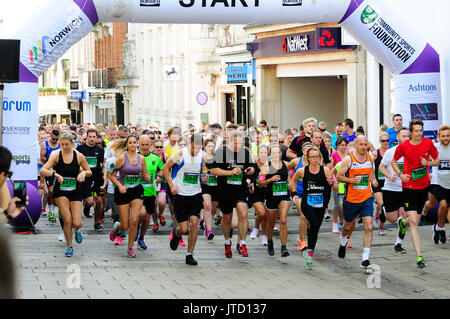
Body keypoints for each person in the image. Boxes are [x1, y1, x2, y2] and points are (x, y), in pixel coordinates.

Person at [391, 120, 439, 268]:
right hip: (409, 187)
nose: (419, 133)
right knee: (414, 222)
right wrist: (400, 175)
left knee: (413, 221)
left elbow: (437, 161)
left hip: (423, 186)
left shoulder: (428, 143)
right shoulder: (404, 146)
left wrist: (428, 163)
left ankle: (402, 223)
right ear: (411, 132)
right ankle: (419, 256)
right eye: (416, 131)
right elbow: (393, 161)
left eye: (421, 130)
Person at [40, 132, 92, 257]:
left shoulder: (78, 156)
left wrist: (83, 174)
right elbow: (43, 169)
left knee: (76, 222)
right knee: (67, 220)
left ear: (72, 143)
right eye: (61, 144)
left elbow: (89, 171)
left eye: (66, 144)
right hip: (61, 191)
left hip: (76, 190)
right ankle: (69, 246)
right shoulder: (57, 155)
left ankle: (78, 230)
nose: (64, 147)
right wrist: (55, 174)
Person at [163, 133, 208, 265]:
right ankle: (177, 234)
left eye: (199, 148)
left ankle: (189, 254)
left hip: (195, 194)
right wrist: (171, 186)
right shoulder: (180, 153)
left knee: (194, 223)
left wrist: (204, 177)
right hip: (180, 194)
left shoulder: (203, 156)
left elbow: (203, 171)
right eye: (194, 147)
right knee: (184, 229)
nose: (196, 150)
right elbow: (165, 168)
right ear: (190, 144)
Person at [336, 135, 378, 271]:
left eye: (366, 144)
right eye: (361, 144)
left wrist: (373, 180)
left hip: (366, 197)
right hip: (351, 199)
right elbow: (338, 176)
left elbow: (370, 173)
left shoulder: (370, 158)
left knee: (369, 226)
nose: (364, 147)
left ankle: (365, 258)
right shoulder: (349, 159)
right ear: (355, 145)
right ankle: (343, 242)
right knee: (348, 225)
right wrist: (352, 181)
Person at [211, 131, 255, 258]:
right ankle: (227, 242)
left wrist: (249, 170)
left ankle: (242, 243)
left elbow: (251, 168)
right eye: (236, 143)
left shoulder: (245, 152)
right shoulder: (221, 152)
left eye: (241, 143)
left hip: (240, 189)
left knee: (243, 212)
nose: (239, 146)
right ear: (230, 141)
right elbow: (214, 170)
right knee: (227, 218)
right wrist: (230, 172)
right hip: (225, 190)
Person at [292, 146, 336, 269]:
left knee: (315, 229)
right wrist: (295, 194)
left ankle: (309, 253)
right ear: (308, 158)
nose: (316, 159)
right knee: (315, 224)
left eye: (318, 157)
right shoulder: (302, 171)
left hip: (321, 204)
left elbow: (337, 187)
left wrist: (331, 182)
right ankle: (306, 240)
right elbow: (293, 180)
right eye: (313, 157)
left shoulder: (326, 170)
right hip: (307, 203)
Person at [108, 135, 150, 258]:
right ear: (126, 145)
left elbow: (144, 174)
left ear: (137, 144)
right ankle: (117, 226)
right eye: (130, 142)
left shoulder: (141, 158)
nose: (132, 144)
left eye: (134, 142)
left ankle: (130, 247)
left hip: (136, 190)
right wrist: (119, 186)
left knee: (135, 220)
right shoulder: (122, 158)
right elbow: (111, 175)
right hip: (123, 191)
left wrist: (146, 177)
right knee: (125, 225)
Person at [378, 127, 410, 253]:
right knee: (392, 219)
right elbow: (381, 167)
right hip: (390, 189)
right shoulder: (391, 152)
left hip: (406, 189)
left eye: (408, 136)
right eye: (403, 136)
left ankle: (398, 243)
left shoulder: (412, 152)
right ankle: (384, 209)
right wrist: (389, 176)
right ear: (398, 137)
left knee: (403, 217)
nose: (406, 139)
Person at [259, 145, 292, 257]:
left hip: (284, 196)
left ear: (281, 154)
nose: (276, 155)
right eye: (273, 153)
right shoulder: (266, 166)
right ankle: (269, 240)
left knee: (283, 220)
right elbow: (260, 184)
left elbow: (288, 179)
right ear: (270, 154)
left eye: (278, 152)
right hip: (271, 197)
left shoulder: (286, 165)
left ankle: (283, 247)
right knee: (271, 223)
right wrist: (270, 179)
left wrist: (290, 184)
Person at [422, 124, 450, 244]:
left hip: (448, 182)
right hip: (436, 181)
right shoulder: (434, 147)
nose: (446, 138)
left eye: (448, 136)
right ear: (438, 137)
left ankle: (438, 227)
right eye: (443, 136)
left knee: (446, 208)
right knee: (442, 205)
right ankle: (442, 229)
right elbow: (424, 160)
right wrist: (427, 173)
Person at [136, 135, 163, 249]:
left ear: (151, 145)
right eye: (143, 145)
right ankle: (135, 228)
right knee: (141, 214)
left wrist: (159, 176)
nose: (145, 147)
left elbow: (162, 169)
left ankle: (141, 238)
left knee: (147, 218)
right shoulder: (134, 157)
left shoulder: (155, 158)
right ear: (139, 145)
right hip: (136, 192)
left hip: (150, 193)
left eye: (147, 145)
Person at [77, 128, 105, 231]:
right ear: (86, 137)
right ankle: (87, 206)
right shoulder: (80, 149)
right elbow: (77, 164)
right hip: (85, 179)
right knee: (90, 202)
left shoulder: (100, 150)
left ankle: (96, 223)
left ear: (97, 138)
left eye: (94, 137)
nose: (92, 139)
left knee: (99, 202)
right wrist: (81, 171)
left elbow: (102, 164)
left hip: (96, 178)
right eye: (90, 137)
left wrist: (104, 178)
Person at [249, 144, 269, 246]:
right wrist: (249, 183)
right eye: (261, 152)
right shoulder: (254, 165)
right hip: (255, 193)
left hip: (267, 193)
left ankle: (264, 235)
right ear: (258, 153)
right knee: (261, 213)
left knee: (265, 216)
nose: (263, 154)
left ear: (268, 153)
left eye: (265, 152)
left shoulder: (270, 165)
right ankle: (256, 227)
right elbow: (249, 177)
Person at [40, 129, 61, 223]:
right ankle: (51, 212)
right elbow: (42, 158)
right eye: (53, 139)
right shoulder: (44, 144)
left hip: (60, 171)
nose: (55, 141)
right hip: (49, 170)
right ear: (50, 136)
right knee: (51, 191)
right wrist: (52, 160)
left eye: (56, 139)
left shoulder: (61, 145)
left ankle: (57, 207)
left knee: (59, 194)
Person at [200, 139, 218, 241]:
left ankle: (206, 224)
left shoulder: (217, 158)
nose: (211, 148)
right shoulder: (202, 158)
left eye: (212, 146)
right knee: (207, 206)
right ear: (204, 147)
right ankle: (209, 230)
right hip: (205, 186)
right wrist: (202, 176)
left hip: (215, 186)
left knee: (213, 210)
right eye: (209, 146)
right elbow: (200, 171)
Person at [330, 136, 348, 234]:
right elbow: (332, 170)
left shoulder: (349, 155)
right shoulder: (334, 155)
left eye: (345, 145)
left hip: (346, 182)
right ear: (337, 145)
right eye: (342, 145)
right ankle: (335, 223)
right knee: (337, 204)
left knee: (344, 204)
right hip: (337, 182)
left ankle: (343, 221)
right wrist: (334, 181)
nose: (344, 147)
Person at [372, 132, 390, 235]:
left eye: (387, 140)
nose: (385, 143)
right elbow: (370, 168)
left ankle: (381, 226)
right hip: (377, 183)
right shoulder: (375, 154)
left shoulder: (391, 152)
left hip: (388, 183)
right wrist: (373, 179)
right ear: (380, 141)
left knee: (385, 206)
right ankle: (377, 214)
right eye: (383, 141)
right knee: (381, 203)